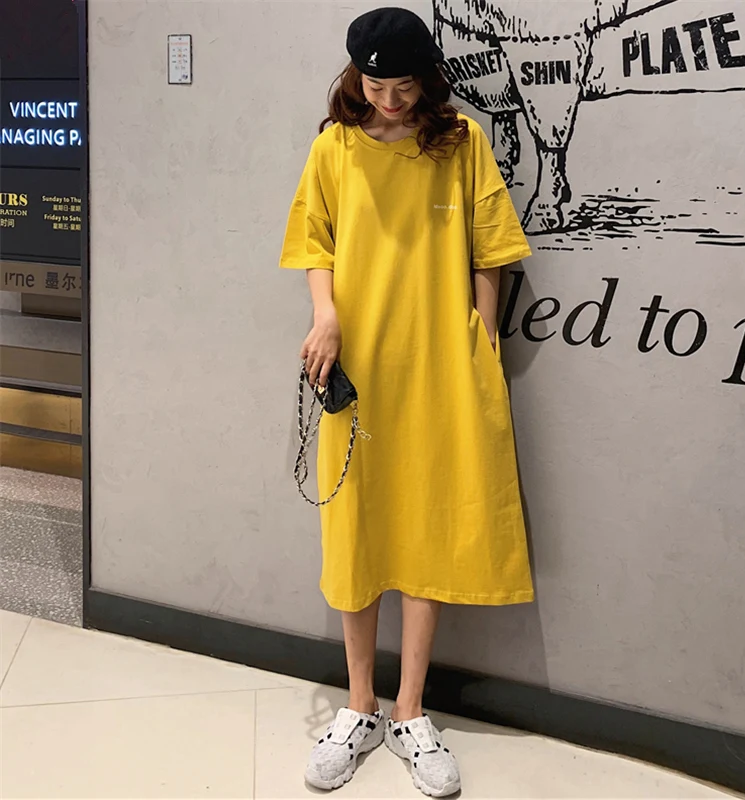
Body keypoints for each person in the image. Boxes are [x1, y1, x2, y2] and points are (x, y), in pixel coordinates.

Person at [279, 7, 534, 797]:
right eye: (376, 84)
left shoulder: (461, 144)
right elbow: (314, 242)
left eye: (404, 86)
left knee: (429, 522)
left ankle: (410, 710)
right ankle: (358, 706)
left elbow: (491, 245)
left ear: (427, 80)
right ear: (356, 77)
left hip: (439, 361)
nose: (389, 100)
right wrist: (325, 315)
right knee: (358, 527)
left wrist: (482, 334)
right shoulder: (334, 147)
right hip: (359, 362)